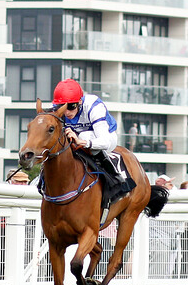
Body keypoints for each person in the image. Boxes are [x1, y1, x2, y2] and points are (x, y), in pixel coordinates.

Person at [52, 78, 135, 206]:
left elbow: (105, 142)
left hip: (105, 137)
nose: (67, 112)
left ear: (79, 102)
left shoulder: (94, 107)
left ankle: (115, 180)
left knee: (85, 135)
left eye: (71, 106)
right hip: (80, 138)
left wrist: (81, 141)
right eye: (62, 107)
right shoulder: (60, 111)